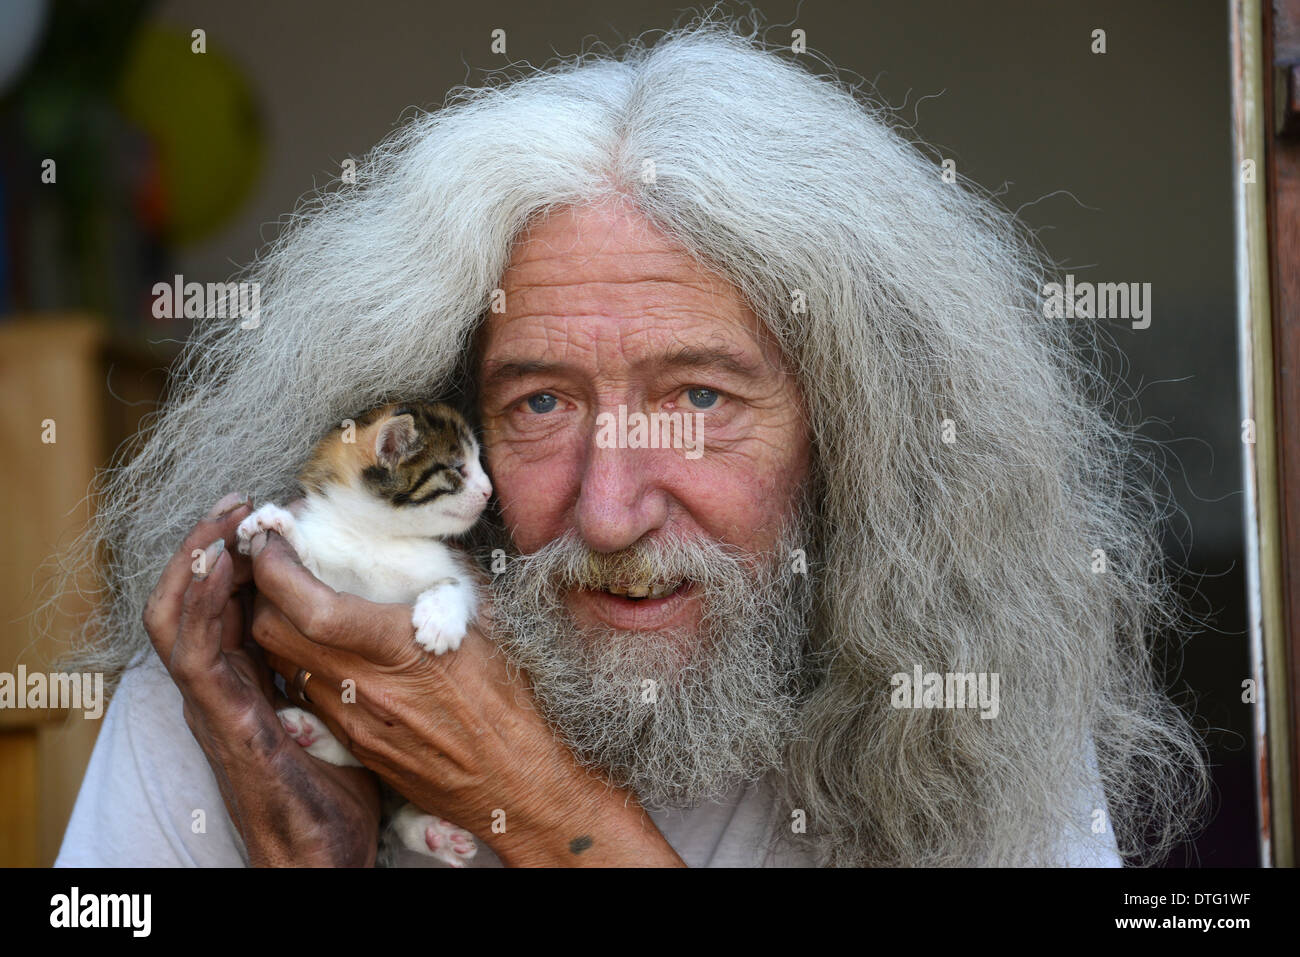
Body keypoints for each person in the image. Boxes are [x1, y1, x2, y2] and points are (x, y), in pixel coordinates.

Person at [53, 14, 1207, 868]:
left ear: (856, 430)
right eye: (541, 404)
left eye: (700, 399)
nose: (609, 512)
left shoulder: (974, 693)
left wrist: (541, 804)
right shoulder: (247, 689)